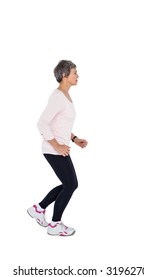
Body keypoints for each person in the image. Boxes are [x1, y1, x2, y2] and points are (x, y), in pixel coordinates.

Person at [27, 60, 88, 236]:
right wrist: (58, 145)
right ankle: (55, 225)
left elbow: (60, 124)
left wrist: (75, 139)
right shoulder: (57, 97)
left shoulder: (65, 96)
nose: (78, 76)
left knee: (68, 184)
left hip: (59, 148)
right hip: (53, 148)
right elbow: (42, 123)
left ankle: (38, 209)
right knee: (71, 184)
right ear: (64, 75)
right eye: (75, 73)